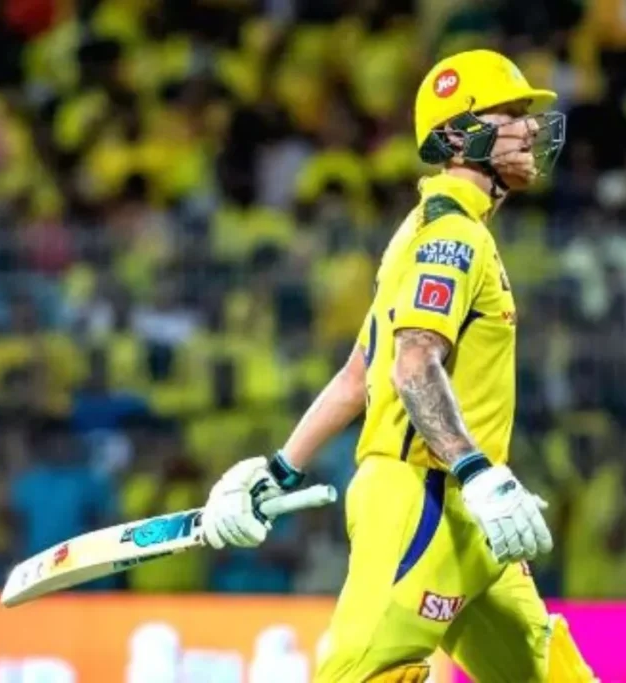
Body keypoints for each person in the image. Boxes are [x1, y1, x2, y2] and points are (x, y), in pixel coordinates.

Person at [200, 49, 597, 682]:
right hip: (426, 495)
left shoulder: (420, 230)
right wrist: (477, 474)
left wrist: (278, 471)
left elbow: (358, 373)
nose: (528, 128)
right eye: (509, 114)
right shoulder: (452, 237)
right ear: (456, 137)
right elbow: (410, 366)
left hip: (470, 507)